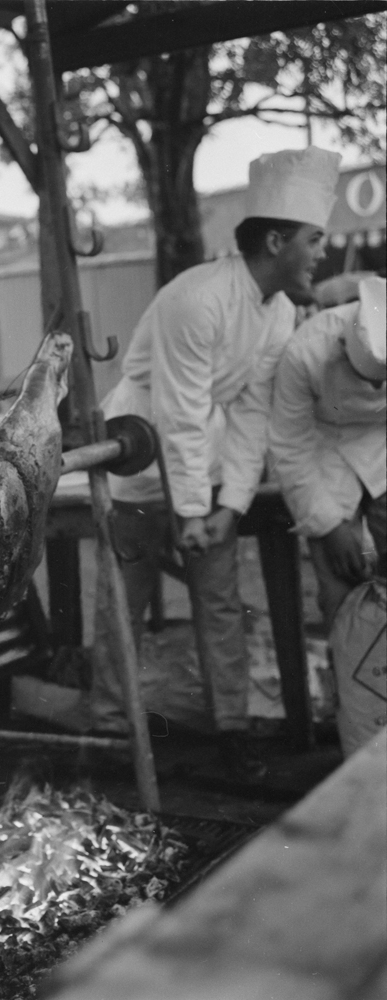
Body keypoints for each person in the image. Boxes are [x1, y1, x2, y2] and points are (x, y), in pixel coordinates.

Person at [90, 146, 341, 779]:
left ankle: (233, 733)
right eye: (315, 241)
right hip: (139, 465)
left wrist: (226, 507)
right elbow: (178, 413)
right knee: (126, 600)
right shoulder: (196, 300)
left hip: (201, 471)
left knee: (220, 601)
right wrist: (195, 508)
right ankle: (111, 733)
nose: (323, 254)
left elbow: (252, 413)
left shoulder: (280, 312)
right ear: (277, 239)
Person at [268, 275, 386, 630]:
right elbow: (291, 445)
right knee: (341, 591)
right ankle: (351, 681)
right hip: (324, 451)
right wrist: (330, 525)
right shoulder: (305, 352)